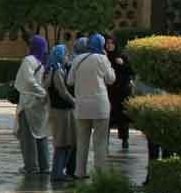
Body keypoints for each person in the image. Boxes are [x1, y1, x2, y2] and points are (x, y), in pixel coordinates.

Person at [67, 32, 116, 178]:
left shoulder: (78, 59)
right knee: (100, 142)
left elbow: (69, 81)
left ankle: (79, 172)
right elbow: (111, 79)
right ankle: (100, 173)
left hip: (82, 106)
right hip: (100, 106)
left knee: (82, 141)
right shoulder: (102, 59)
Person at [12, 35, 51, 175]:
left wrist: (40, 92)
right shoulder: (46, 61)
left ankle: (30, 167)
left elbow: (28, 81)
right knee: (41, 135)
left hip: (29, 103)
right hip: (42, 104)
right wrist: (44, 94)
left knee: (28, 137)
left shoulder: (29, 60)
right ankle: (44, 166)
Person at [46, 43, 77, 181]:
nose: (67, 57)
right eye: (65, 55)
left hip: (61, 110)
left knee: (66, 141)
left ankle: (59, 171)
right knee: (62, 142)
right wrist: (74, 101)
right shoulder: (57, 71)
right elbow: (62, 91)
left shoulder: (57, 69)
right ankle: (57, 172)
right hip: (61, 111)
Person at [105, 35, 134, 150]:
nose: (110, 45)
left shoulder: (121, 56)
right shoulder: (103, 58)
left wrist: (122, 64)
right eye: (107, 43)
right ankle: (104, 140)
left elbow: (131, 70)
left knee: (123, 117)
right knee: (107, 117)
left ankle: (125, 140)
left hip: (122, 91)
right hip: (109, 91)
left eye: (112, 43)